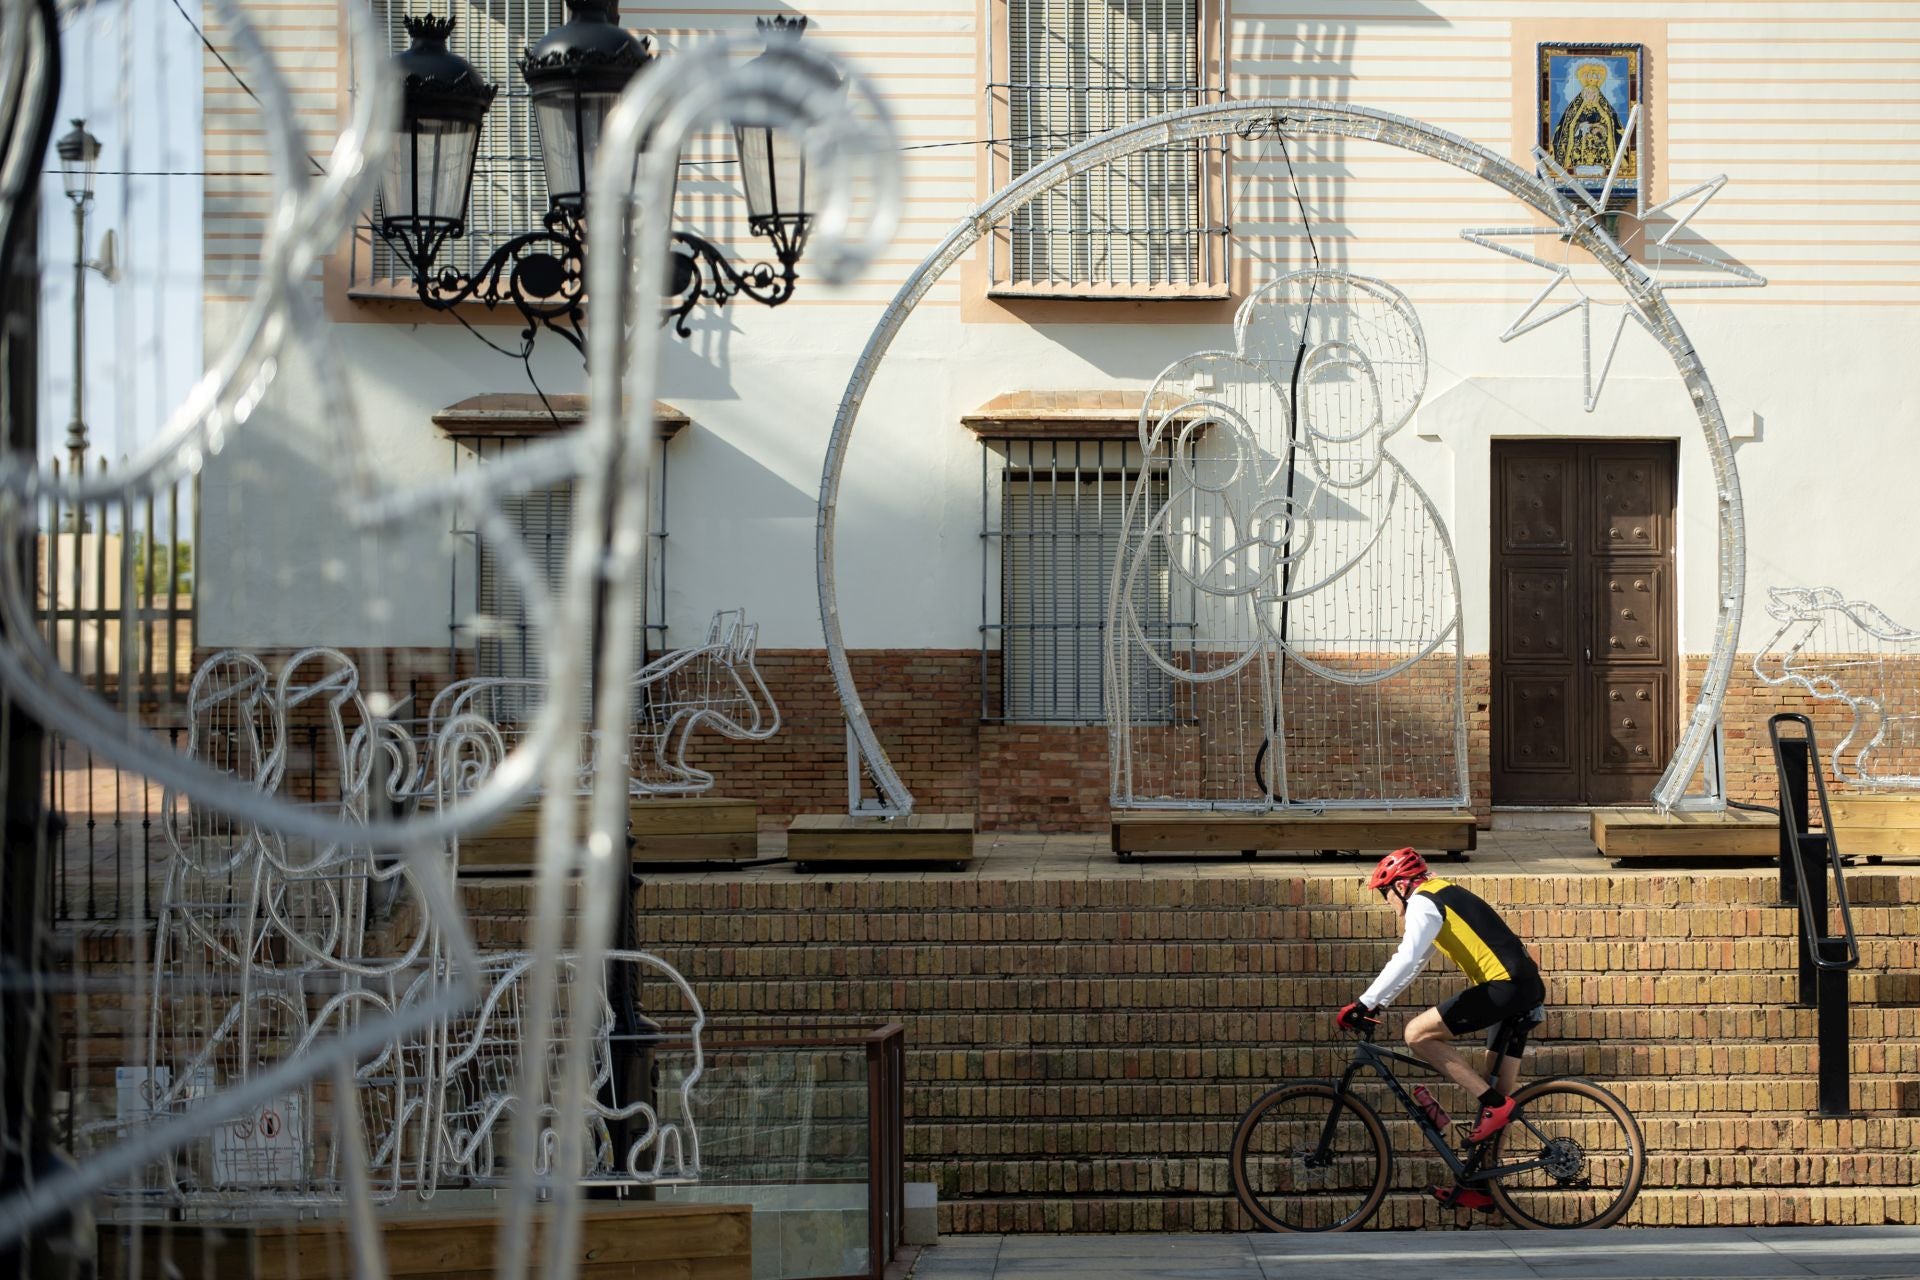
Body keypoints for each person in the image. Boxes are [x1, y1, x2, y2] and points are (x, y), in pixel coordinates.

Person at [1334, 847, 1546, 1213]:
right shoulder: (1443, 893)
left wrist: (1366, 1003)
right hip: (1524, 988)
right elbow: (1419, 956)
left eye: (1385, 894)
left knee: (1417, 1035)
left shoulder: (1422, 901)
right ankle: (1480, 1187)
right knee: (1497, 1097)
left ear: (1401, 885)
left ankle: (1493, 1107)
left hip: (1506, 986)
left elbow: (1409, 957)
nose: (1387, 903)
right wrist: (1379, 1001)